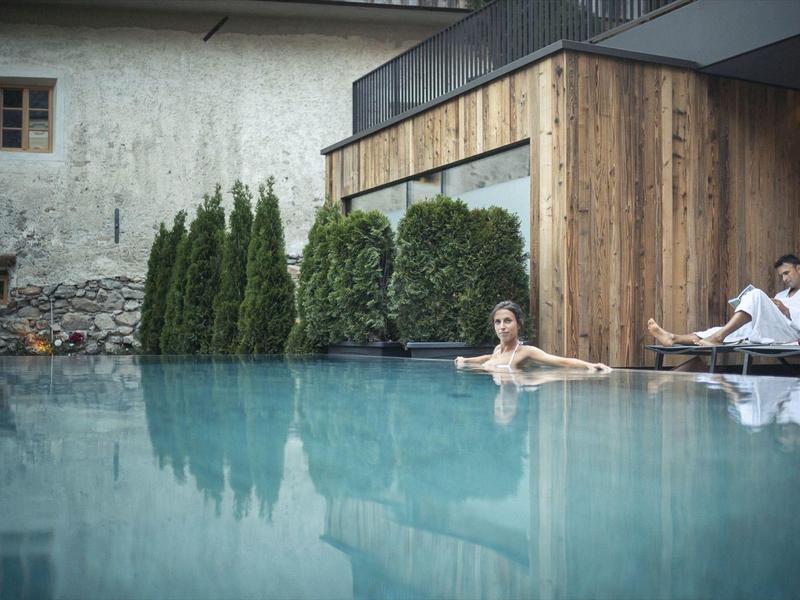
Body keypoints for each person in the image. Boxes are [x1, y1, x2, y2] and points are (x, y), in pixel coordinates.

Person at [647, 254, 800, 347]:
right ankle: (673, 338)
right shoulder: (781, 295)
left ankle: (718, 338)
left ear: (798, 268)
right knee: (725, 330)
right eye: (781, 275)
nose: (784, 279)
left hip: (790, 335)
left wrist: (787, 311)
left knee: (757, 295)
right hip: (770, 330)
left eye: (787, 273)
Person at [454, 300, 611, 372]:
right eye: (498, 322)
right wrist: (465, 360)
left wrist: (589, 365)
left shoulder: (524, 352)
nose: (502, 327)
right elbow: (486, 358)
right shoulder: (497, 350)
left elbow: (560, 361)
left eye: (508, 321)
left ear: (519, 324)